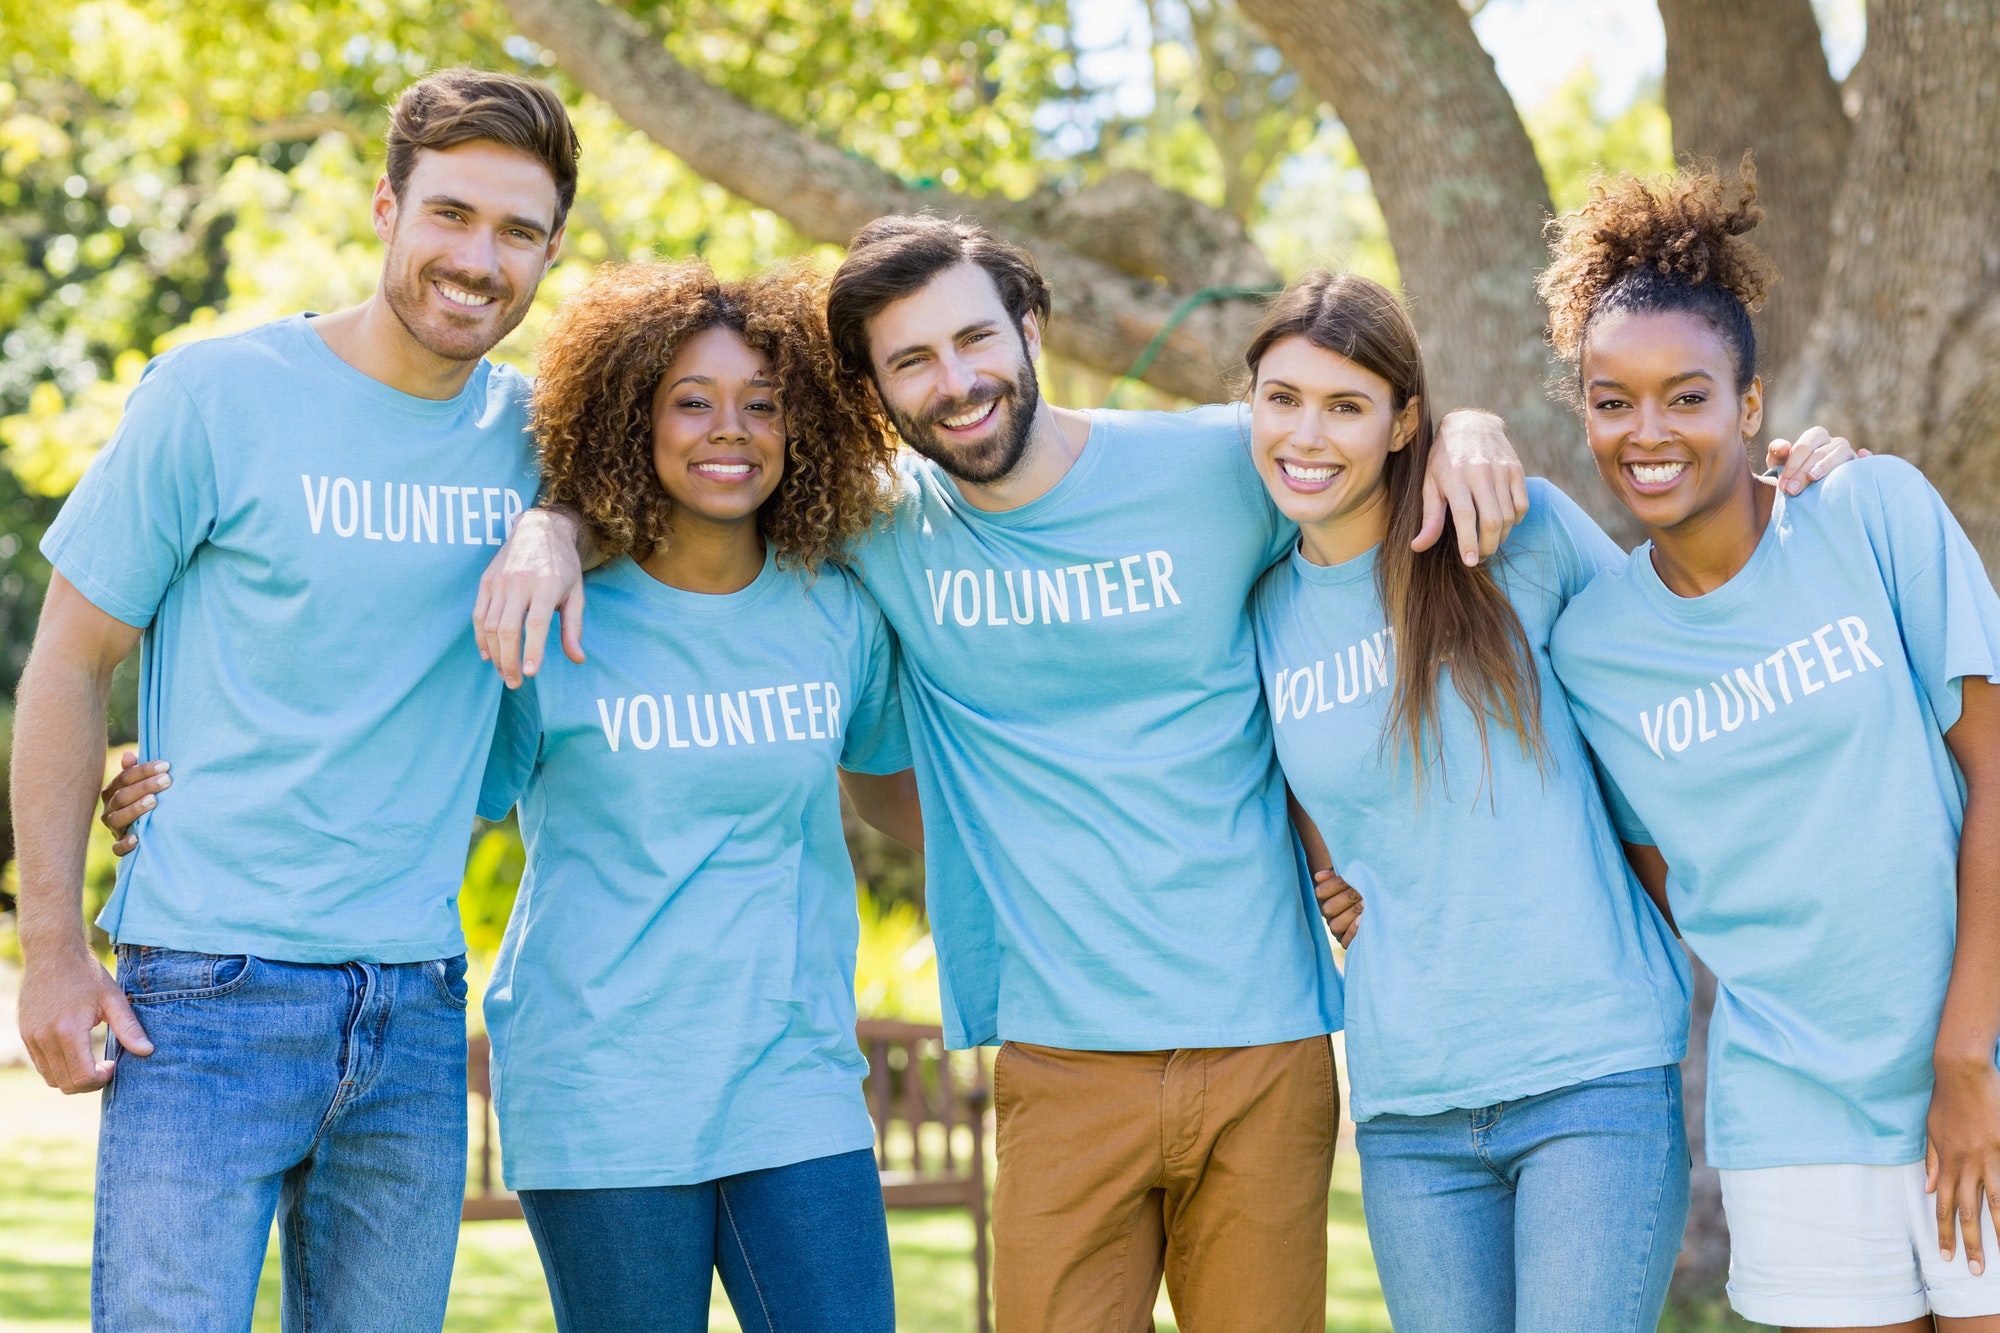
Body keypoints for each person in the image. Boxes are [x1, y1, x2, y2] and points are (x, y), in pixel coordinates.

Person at [478, 214, 1537, 1332]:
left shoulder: (1218, 466)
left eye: (974, 338)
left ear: (1029, 325)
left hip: (1262, 1038)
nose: (956, 381)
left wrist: (1464, 425)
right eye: (910, 362)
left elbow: (1352, 431)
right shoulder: (872, 532)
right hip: (1054, 1051)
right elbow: (678, 479)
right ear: (871, 394)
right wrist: (549, 525)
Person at [11, 69, 576, 1332]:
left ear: (549, 252)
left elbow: (693, 468)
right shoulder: (216, 397)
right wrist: (52, 949)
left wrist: (557, 522)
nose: (478, 259)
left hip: (416, 1002)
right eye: (451, 214)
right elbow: (68, 659)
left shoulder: (544, 436)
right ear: (385, 206)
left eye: (517, 232)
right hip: (203, 995)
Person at [1545, 164, 2000, 1331]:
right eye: (1610, 400)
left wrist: (1960, 1060)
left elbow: (1993, 774)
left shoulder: (1870, 513)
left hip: (1980, 1068)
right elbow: (1666, 879)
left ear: (1749, 407)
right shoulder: (1591, 648)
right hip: (1790, 1115)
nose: (1645, 433)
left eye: (1683, 396)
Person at [1242, 269, 1695, 1329]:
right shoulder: (1258, 607)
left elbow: (1679, 658)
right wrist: (1336, 878)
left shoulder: (1510, 534)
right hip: (1407, 1104)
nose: (1306, 434)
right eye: (1281, 398)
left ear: (1404, 421)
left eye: (1345, 405)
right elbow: (1315, 804)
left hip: (1589, 1071)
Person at [469, 258, 913, 1332]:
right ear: (632, 418)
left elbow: (906, 805)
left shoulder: (836, 615)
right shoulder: (554, 613)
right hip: (601, 1084)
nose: (731, 430)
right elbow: (424, 804)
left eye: (762, 405)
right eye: (693, 403)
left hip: (796, 1081)